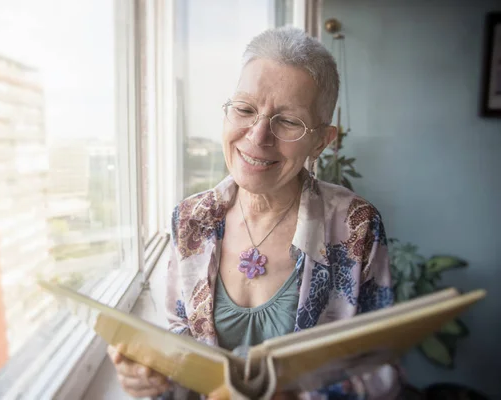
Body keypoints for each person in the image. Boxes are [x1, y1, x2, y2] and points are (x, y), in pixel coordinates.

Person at [108, 27, 401, 399]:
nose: (258, 135)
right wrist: (154, 374)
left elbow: (381, 370)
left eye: (288, 121)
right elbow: (181, 337)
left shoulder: (356, 225)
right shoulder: (191, 219)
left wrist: (296, 396)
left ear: (322, 141)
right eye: (245, 109)